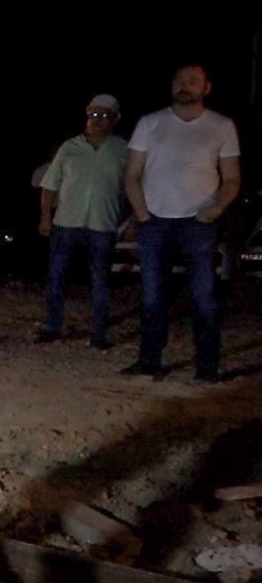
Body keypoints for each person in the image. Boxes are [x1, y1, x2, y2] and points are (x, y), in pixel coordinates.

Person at [122, 64, 241, 382]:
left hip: (199, 223)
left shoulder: (222, 125)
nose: (184, 86)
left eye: (193, 81)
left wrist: (218, 207)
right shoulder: (150, 123)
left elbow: (231, 178)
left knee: (204, 297)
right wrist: (142, 213)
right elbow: (132, 175)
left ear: (207, 87)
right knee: (151, 296)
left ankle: (207, 364)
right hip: (155, 221)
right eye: (179, 81)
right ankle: (149, 360)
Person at [36, 95, 130, 347]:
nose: (97, 120)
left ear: (115, 119)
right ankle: (53, 325)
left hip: (103, 223)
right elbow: (50, 184)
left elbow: (132, 186)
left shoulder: (124, 150)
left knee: (99, 281)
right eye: (93, 115)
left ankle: (98, 333)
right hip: (67, 221)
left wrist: (133, 220)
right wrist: (46, 216)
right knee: (56, 276)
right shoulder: (70, 148)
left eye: (103, 116)